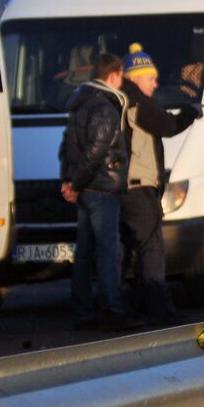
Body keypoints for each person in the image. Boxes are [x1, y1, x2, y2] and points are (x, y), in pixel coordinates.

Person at [119, 43, 202, 325]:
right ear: (135, 77)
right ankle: (159, 308)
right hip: (138, 188)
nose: (156, 83)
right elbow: (168, 126)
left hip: (124, 188)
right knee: (152, 247)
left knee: (128, 248)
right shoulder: (138, 103)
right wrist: (191, 113)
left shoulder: (120, 100)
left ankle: (135, 302)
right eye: (151, 78)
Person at [59, 52, 133, 330]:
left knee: (85, 251)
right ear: (113, 75)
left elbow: (68, 146)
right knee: (106, 251)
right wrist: (75, 183)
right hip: (101, 188)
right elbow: (96, 152)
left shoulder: (79, 103)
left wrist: (69, 181)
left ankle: (82, 310)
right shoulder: (106, 108)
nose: (123, 82)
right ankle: (111, 310)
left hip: (85, 188)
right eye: (122, 76)